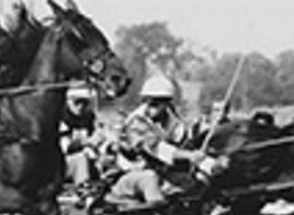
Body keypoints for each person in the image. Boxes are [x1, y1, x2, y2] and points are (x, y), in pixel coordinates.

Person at [110, 74, 209, 205]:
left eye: (155, 103)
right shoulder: (136, 123)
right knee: (150, 178)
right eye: (146, 101)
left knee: (196, 183)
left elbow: (185, 144)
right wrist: (189, 155)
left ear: (167, 103)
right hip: (129, 176)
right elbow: (157, 148)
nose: (149, 106)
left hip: (161, 174)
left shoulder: (174, 123)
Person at [60, 84, 100, 189]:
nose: (80, 107)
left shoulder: (89, 118)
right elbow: (64, 148)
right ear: (68, 102)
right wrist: (85, 144)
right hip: (60, 164)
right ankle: (84, 189)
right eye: (77, 102)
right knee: (81, 159)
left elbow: (95, 137)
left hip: (85, 159)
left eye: (84, 103)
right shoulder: (61, 119)